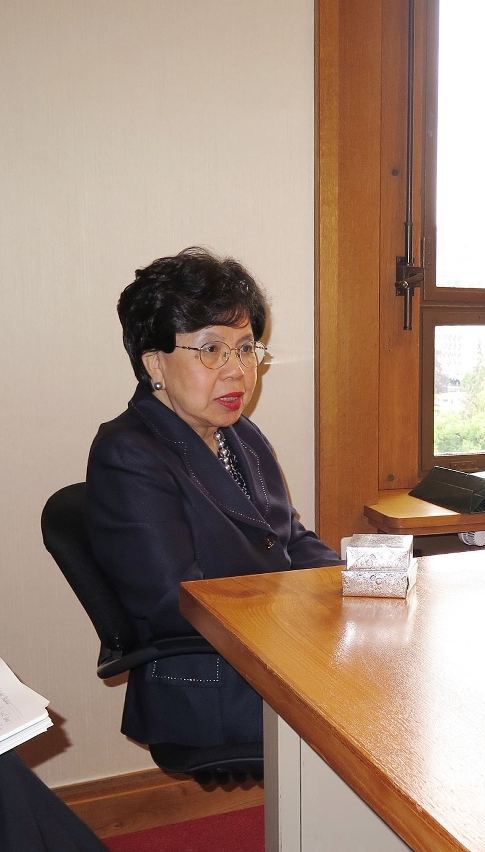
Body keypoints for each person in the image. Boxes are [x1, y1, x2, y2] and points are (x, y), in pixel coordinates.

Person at [86, 247, 342, 749]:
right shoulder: (128, 453)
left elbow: (289, 539)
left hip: (270, 648)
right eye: (210, 349)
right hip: (210, 675)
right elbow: (177, 603)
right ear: (155, 362)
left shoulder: (239, 433)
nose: (237, 371)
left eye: (246, 348)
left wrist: (353, 585)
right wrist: (308, 614)